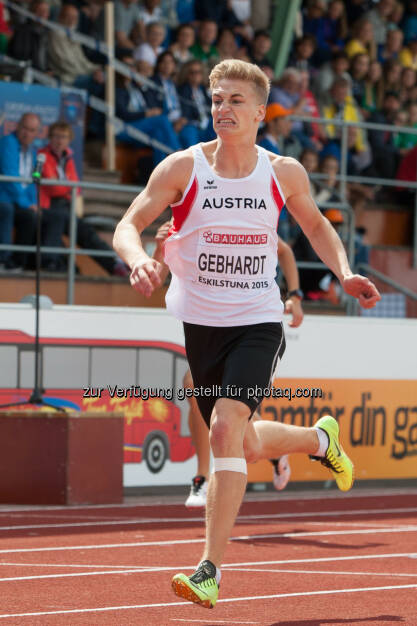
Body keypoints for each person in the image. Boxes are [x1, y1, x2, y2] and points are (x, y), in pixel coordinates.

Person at [113, 59, 380, 610]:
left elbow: (315, 226)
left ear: (260, 111)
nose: (222, 109)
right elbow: (128, 223)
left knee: (225, 427)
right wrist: (137, 258)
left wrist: (344, 271)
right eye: (216, 99)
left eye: (235, 99)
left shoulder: (282, 173)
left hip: (257, 320)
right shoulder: (182, 169)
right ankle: (317, 440)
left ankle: (209, 569)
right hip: (201, 325)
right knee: (247, 442)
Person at [152, 220, 304, 505]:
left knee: (198, 389)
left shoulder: (239, 217)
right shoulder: (180, 223)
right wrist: (158, 251)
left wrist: (294, 295)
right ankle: (274, 450)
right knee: (229, 417)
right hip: (207, 331)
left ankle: (201, 478)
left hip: (249, 328)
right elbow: (154, 278)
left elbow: (284, 251)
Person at [37, 121, 128, 276]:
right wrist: (67, 188)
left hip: (65, 206)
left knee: (86, 232)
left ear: (69, 140)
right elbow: (54, 188)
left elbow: (76, 187)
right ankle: (72, 269)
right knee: (65, 226)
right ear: (50, 138)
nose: (59, 141)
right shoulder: (42, 156)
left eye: (63, 137)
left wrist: (65, 187)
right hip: (48, 206)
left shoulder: (68, 157)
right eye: (56, 136)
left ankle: (114, 264)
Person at [0, 113, 39, 270]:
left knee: (31, 216)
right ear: (17, 126)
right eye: (24, 128)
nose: (27, 133)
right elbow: (11, 178)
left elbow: (32, 182)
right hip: (4, 198)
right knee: (6, 210)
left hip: (18, 201)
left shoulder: (33, 151)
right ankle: (4, 259)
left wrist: (33, 203)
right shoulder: (8, 143)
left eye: (32, 130)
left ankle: (18, 262)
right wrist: (26, 203)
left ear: (36, 133)